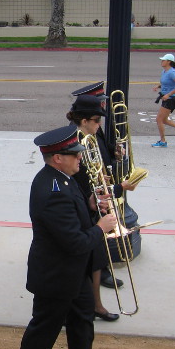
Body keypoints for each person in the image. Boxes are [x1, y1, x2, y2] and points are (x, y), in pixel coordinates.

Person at [11, 126, 119, 349]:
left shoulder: (62, 179)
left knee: (83, 319)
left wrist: (92, 206)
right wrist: (101, 227)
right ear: (58, 157)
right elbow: (75, 242)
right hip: (56, 276)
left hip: (72, 273)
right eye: (74, 155)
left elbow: (72, 214)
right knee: (44, 329)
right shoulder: (54, 189)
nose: (79, 159)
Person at [66, 94, 139, 322]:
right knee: (79, 264)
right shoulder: (73, 142)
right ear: (84, 120)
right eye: (97, 120)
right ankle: (74, 309)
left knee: (97, 259)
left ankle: (96, 305)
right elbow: (84, 184)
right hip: (81, 211)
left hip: (94, 207)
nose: (99, 125)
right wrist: (118, 189)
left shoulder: (91, 137)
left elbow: (98, 173)